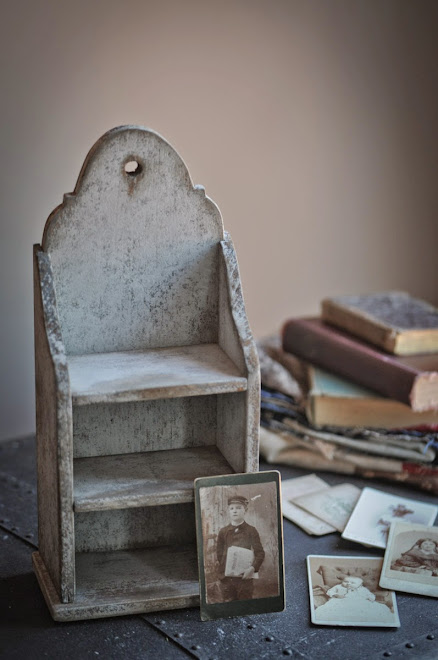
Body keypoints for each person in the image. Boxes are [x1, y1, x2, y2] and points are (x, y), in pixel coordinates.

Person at [216, 494, 265, 602]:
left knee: (245, 603)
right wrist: (227, 567)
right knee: (228, 605)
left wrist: (252, 568)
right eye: (232, 508)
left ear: (245, 510)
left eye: (239, 508)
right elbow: (219, 554)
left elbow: (260, 553)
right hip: (226, 578)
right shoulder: (223, 531)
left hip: (244, 578)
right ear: (228, 511)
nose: (235, 511)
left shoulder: (251, 530)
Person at [315, 576, 394, 623]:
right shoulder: (338, 587)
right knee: (334, 610)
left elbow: (369, 594)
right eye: (346, 581)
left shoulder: (362, 589)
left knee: (367, 609)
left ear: (360, 585)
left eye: (352, 583)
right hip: (340, 601)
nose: (348, 583)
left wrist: (370, 597)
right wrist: (336, 594)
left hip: (359, 601)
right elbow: (329, 591)